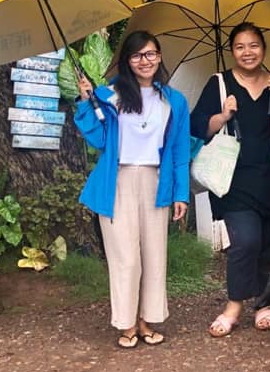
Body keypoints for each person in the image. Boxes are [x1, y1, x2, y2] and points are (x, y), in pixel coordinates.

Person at [74, 30, 189, 349]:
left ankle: (146, 321)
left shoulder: (174, 101)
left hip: (156, 181)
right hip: (118, 181)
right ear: (127, 60)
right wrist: (86, 101)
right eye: (137, 55)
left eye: (151, 53)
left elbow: (179, 151)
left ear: (160, 57)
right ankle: (126, 323)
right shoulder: (108, 95)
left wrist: (181, 194)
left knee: (154, 255)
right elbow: (98, 140)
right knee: (125, 257)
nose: (145, 60)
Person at [190, 22, 270, 337]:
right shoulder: (219, 84)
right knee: (246, 240)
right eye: (240, 46)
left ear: (264, 49)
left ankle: (264, 302)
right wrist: (223, 116)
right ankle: (234, 305)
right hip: (234, 181)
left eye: (254, 45)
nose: (248, 52)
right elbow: (197, 126)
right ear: (232, 51)